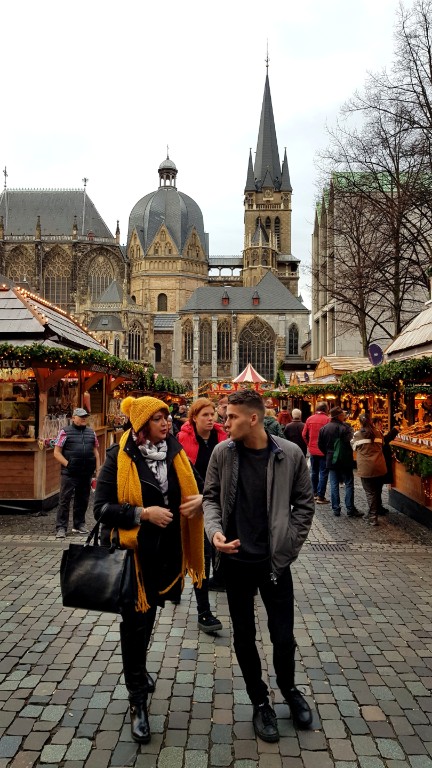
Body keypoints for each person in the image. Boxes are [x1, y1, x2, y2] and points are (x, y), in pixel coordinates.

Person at [203, 391, 315, 743]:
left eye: (231, 416)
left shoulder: (289, 454)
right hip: (236, 561)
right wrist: (214, 532)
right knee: (244, 636)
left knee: (283, 635)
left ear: (253, 418)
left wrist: (288, 546)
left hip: (274, 563)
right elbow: (210, 497)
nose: (224, 422)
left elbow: (304, 505)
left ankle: (289, 688)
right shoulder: (223, 453)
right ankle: (259, 701)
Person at [94, 396, 204, 744]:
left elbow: (198, 486)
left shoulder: (175, 453)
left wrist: (200, 501)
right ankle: (137, 700)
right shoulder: (119, 456)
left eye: (166, 417)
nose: (166, 423)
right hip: (133, 556)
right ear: (141, 425)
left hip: (165, 554)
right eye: (158, 418)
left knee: (149, 616)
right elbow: (101, 508)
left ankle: (138, 671)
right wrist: (142, 514)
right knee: (133, 624)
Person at [177, 398, 227, 630]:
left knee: (219, 548)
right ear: (194, 417)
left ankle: (221, 580)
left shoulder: (223, 437)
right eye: (205, 414)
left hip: (219, 503)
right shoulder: (183, 438)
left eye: (212, 414)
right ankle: (203, 610)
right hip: (194, 505)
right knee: (201, 556)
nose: (210, 418)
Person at [54, 407, 100, 538]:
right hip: (70, 473)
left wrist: (97, 470)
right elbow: (56, 453)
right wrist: (68, 464)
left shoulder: (91, 432)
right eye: (81, 416)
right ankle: (61, 527)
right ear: (73, 418)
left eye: (85, 416)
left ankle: (79, 524)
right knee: (64, 500)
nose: (84, 418)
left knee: (83, 499)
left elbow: (96, 453)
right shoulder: (65, 432)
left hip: (86, 472)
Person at [318, 406, 363, 518]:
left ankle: (336, 508)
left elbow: (320, 445)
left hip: (331, 459)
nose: (344, 416)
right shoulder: (346, 428)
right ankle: (350, 508)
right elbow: (351, 442)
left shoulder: (324, 428)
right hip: (345, 459)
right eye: (342, 414)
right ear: (338, 416)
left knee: (334, 484)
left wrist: (328, 454)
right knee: (349, 483)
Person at [352, 414, 387, 526]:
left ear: (361, 422)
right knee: (377, 491)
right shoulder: (379, 433)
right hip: (380, 466)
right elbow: (383, 444)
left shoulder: (358, 434)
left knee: (370, 492)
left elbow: (353, 446)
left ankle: (373, 517)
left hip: (366, 467)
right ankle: (373, 513)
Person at [302, 402, 330, 504]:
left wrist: (309, 444)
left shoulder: (310, 419)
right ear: (325, 409)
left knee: (314, 472)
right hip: (324, 451)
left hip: (313, 450)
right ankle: (320, 496)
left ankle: (314, 493)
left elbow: (304, 434)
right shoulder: (327, 420)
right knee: (323, 473)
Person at [372, 416, 398, 515]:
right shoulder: (375, 434)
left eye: (381, 423)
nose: (381, 425)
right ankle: (377, 508)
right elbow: (384, 441)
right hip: (379, 463)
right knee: (377, 487)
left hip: (381, 462)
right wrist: (394, 431)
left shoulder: (378, 432)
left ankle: (378, 506)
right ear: (374, 424)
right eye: (379, 423)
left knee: (378, 486)